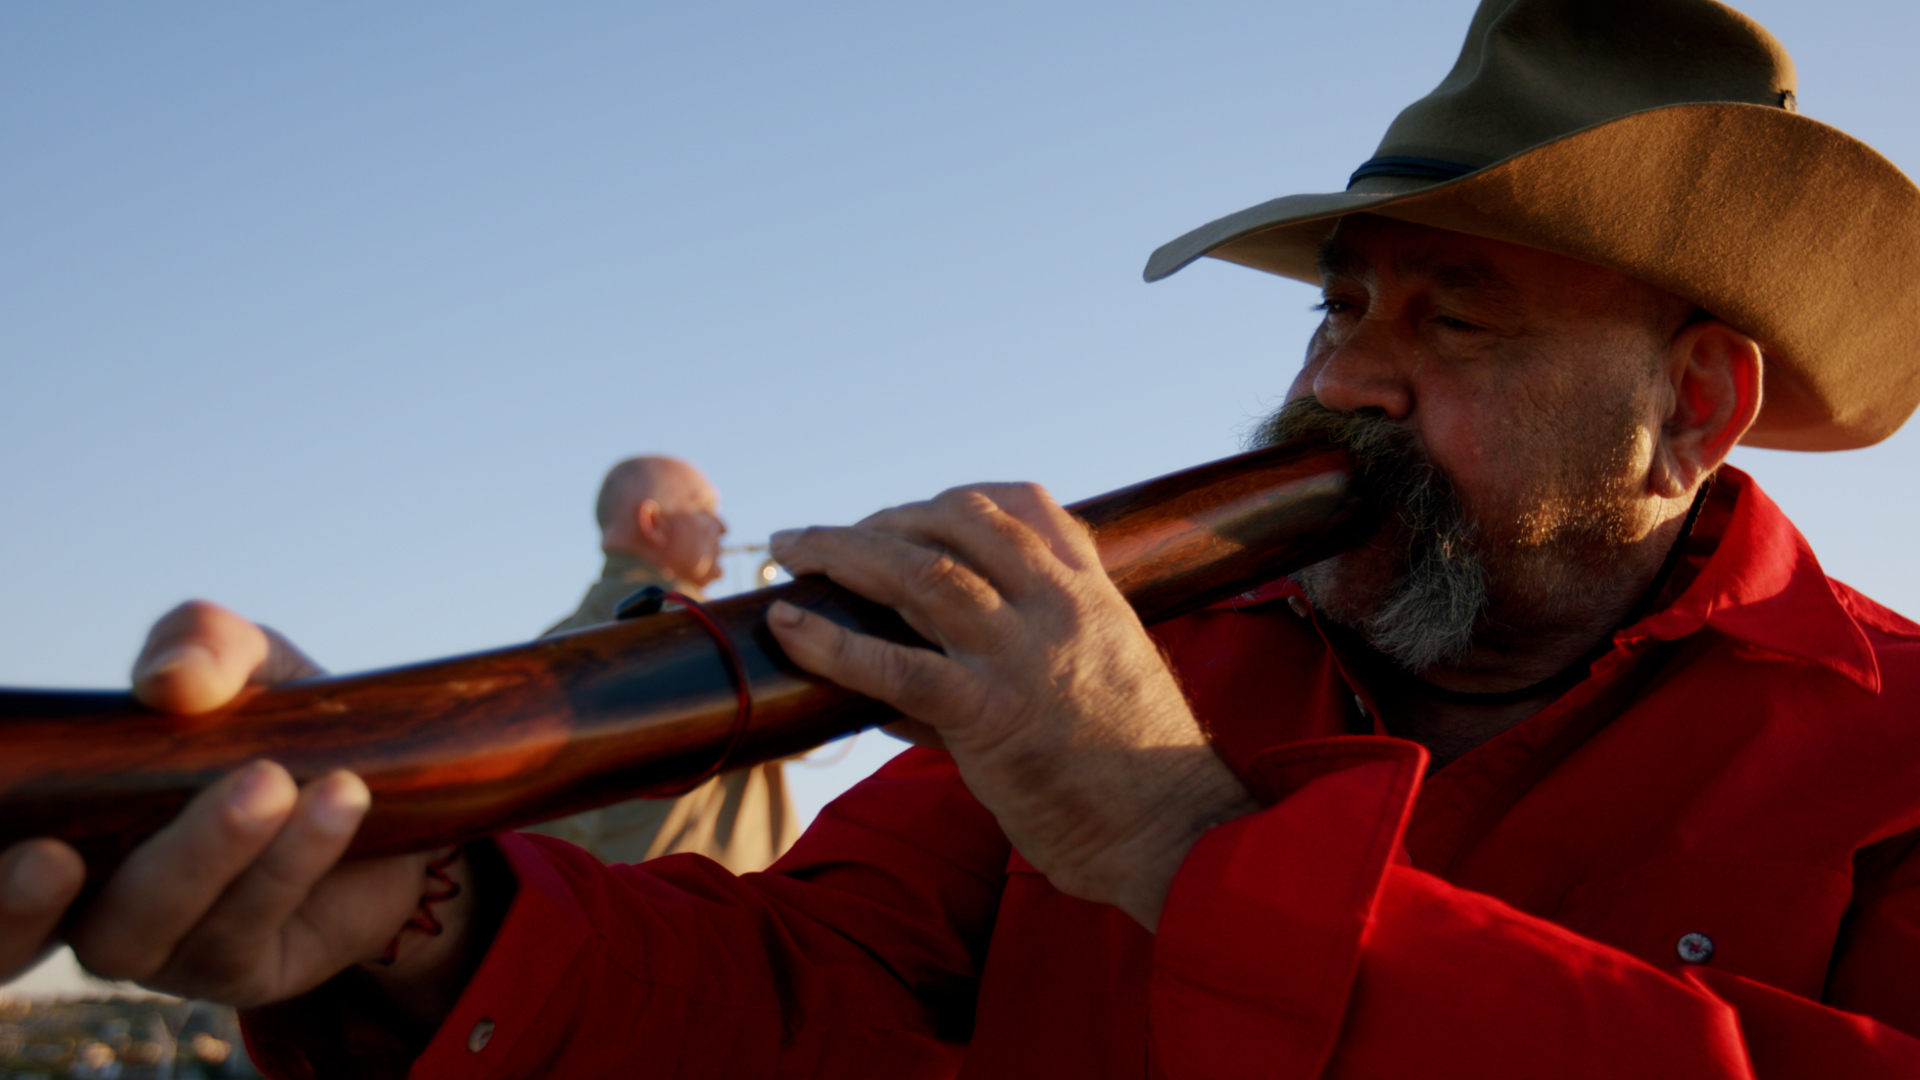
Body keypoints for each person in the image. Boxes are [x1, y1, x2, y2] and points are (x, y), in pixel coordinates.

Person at [4, 0, 1920, 1075]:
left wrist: (1180, 843)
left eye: (1456, 324)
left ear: (1695, 408)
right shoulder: (1135, 673)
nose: (1347, 377)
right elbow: (805, 1001)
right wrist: (425, 919)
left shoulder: (1895, 753)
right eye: (1343, 306)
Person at [520, 455, 798, 873]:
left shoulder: (545, 648)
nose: (723, 527)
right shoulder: (703, 630)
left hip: (598, 898)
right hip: (704, 901)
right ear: (654, 523)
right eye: (704, 509)